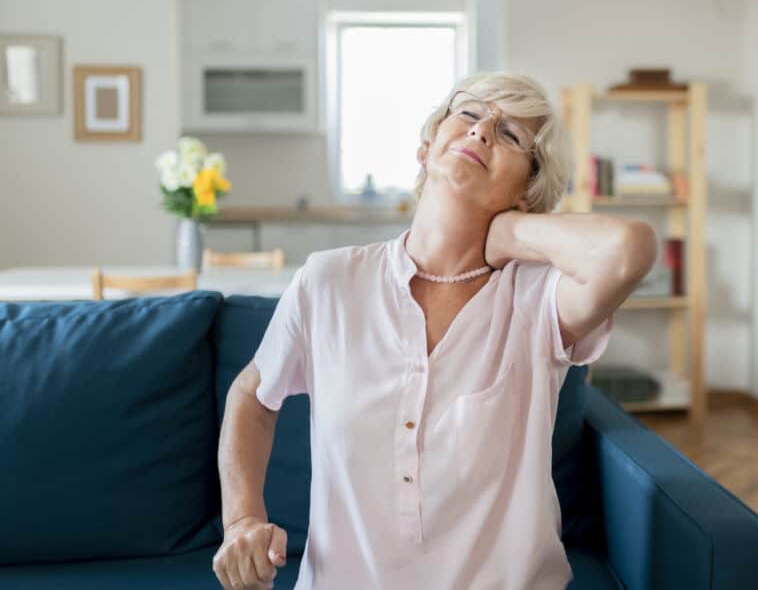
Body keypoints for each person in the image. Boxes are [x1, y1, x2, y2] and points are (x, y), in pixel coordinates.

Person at [213, 72, 658, 590]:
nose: (483, 131)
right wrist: (241, 520)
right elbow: (252, 393)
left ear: (528, 192)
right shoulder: (329, 281)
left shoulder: (538, 300)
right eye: (469, 113)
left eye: (512, 134)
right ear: (427, 148)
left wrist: (510, 232)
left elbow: (629, 250)